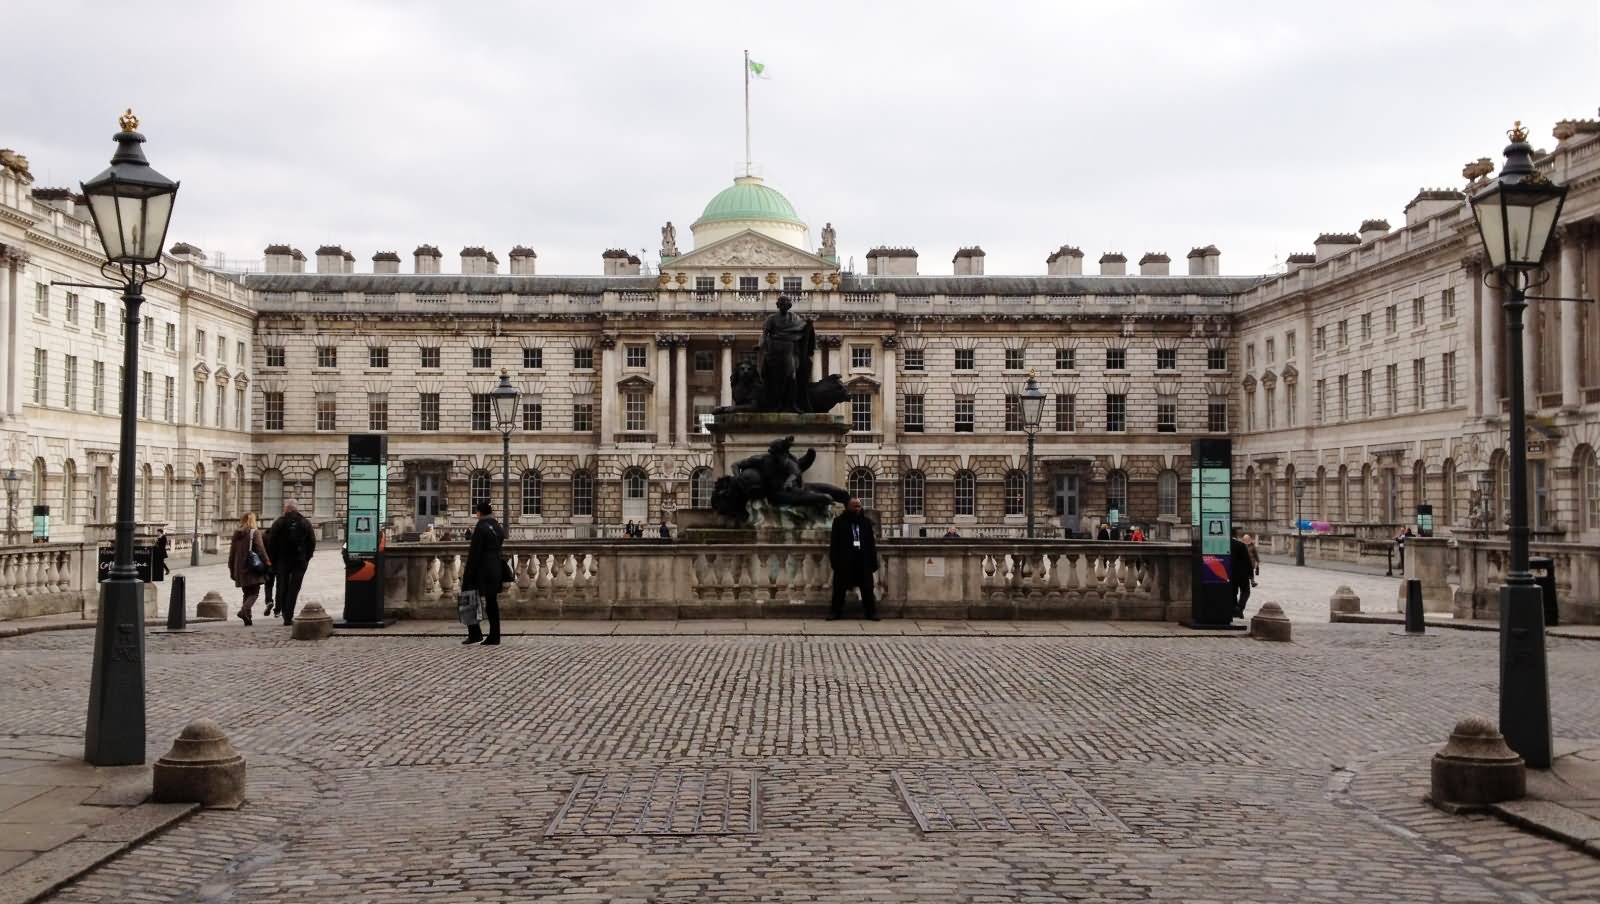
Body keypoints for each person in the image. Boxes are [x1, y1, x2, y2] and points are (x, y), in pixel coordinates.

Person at [461, 501, 506, 645]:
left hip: (482, 569)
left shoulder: (481, 527)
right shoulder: (497, 526)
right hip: (496, 568)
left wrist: (468, 574)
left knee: (467, 598)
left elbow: (475, 553)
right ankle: (494, 635)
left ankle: (474, 633)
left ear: (479, 513)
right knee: (492, 602)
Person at [265, 500, 316, 626]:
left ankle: (283, 612)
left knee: (283, 586)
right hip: (300, 560)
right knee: (294, 588)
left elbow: (271, 543)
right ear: (296, 509)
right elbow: (312, 542)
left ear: (286, 509)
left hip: (283, 560)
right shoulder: (305, 522)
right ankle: (289, 615)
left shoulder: (279, 523)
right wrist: (306, 558)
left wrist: (273, 561)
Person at [829, 498, 880, 621]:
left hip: (862, 559)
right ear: (848, 507)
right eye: (855, 506)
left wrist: (873, 562)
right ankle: (836, 612)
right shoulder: (839, 522)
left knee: (867, 589)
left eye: (859, 506)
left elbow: (871, 544)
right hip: (845, 560)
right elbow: (834, 544)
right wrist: (835, 562)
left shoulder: (866, 522)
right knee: (839, 589)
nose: (857, 509)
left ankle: (870, 613)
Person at [227, 512, 271, 626]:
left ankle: (248, 618)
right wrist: (267, 562)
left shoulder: (236, 534)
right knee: (254, 592)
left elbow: (232, 554)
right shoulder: (254, 533)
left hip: (240, 568)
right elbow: (261, 549)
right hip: (252, 567)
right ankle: (244, 610)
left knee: (246, 592)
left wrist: (231, 569)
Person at [1230, 529, 1253, 619]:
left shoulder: (1224, 544)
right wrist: (1251, 576)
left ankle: (1235, 609)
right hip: (1242, 574)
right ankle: (1239, 607)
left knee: (1233, 592)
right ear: (1236, 535)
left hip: (1230, 573)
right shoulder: (1241, 545)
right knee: (1246, 591)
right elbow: (1247, 561)